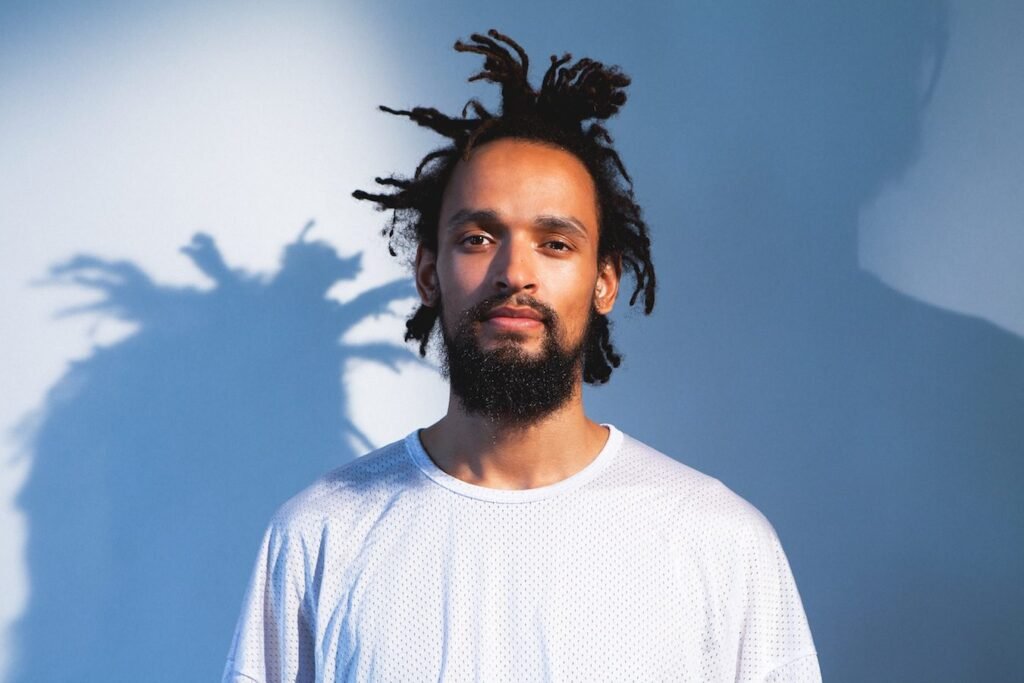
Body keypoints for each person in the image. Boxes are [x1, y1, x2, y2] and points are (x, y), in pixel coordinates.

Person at [222, 30, 820, 682]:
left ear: (605, 281)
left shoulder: (720, 543)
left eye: (555, 243)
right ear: (429, 273)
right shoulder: (318, 538)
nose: (514, 272)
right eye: (478, 237)